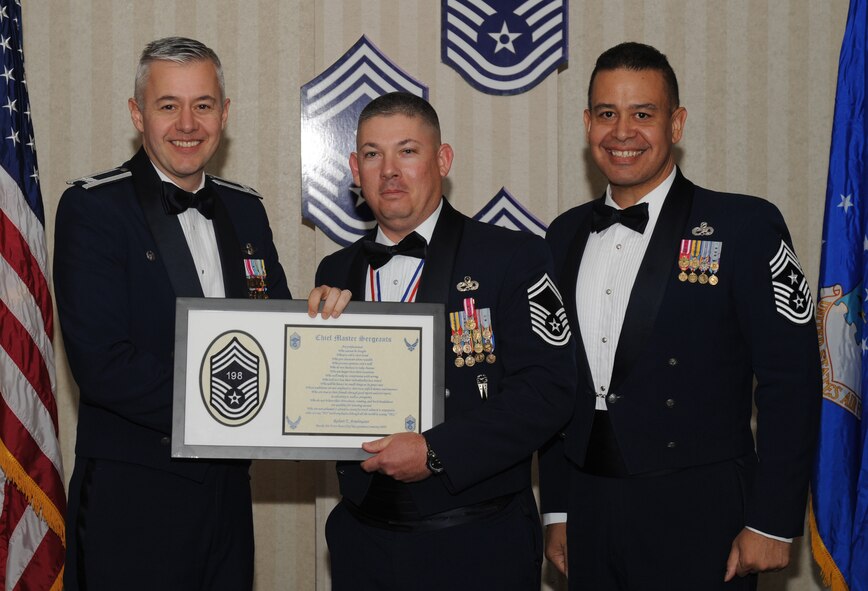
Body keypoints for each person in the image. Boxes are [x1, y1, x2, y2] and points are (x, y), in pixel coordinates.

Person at [538, 42, 821, 590]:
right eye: (606, 114)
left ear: (677, 123)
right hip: (590, 508)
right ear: (587, 124)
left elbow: (793, 380)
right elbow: (555, 384)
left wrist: (773, 520)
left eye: (643, 113)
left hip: (704, 512)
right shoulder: (563, 233)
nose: (623, 132)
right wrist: (559, 510)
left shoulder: (744, 227)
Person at [311, 91, 577, 590]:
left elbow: (549, 391)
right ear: (354, 168)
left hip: (477, 543)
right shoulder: (336, 270)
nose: (389, 170)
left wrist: (436, 451)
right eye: (372, 154)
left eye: (407, 151)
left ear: (443, 159)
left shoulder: (513, 256)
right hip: (364, 541)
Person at [54, 37, 291, 590]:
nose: (188, 123)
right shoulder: (93, 208)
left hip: (228, 498)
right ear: (138, 114)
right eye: (168, 106)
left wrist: (325, 327)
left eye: (203, 105)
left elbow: (276, 337)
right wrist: (236, 407)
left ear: (224, 115)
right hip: (132, 501)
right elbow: (104, 365)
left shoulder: (246, 210)